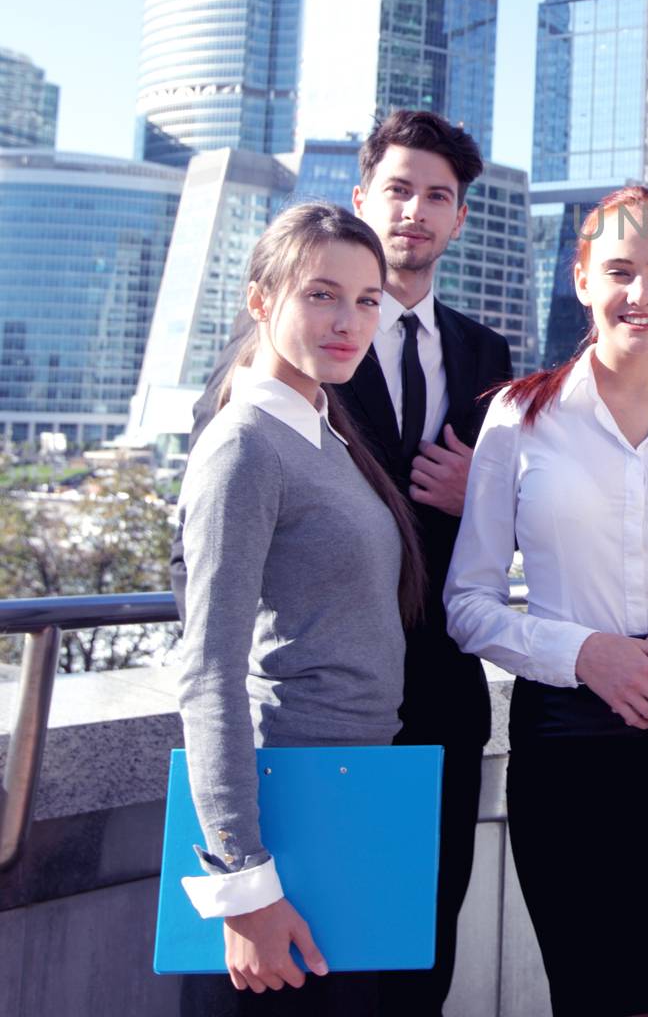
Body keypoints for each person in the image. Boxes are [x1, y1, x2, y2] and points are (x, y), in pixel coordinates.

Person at [189, 109, 513, 1017]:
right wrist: (239, 869)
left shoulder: (471, 360)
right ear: (363, 196)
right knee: (311, 988)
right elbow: (209, 649)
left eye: (437, 197)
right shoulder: (259, 409)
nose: (347, 320)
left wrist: (480, 500)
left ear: (458, 218)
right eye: (397, 190)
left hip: (426, 710)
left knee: (403, 977)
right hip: (301, 749)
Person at [445, 186, 648, 1017]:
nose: (643, 292)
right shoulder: (516, 420)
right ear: (582, 277)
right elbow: (469, 603)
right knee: (592, 992)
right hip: (568, 743)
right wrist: (587, 654)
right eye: (621, 270)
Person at [173, 203, 427, 1014]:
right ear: (261, 301)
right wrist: (243, 882)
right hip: (286, 808)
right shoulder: (246, 443)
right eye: (321, 295)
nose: (349, 321)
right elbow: (207, 670)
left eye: (365, 300)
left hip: (353, 795)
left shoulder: (326, 430)